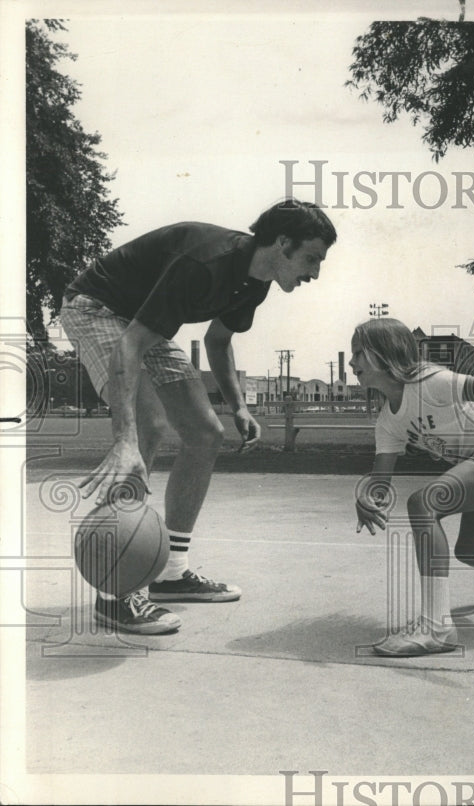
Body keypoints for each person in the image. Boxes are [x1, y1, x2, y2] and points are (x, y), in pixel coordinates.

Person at [60, 199, 337, 634]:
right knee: (147, 427)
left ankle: (171, 572)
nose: (315, 273)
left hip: (139, 323)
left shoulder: (256, 281)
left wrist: (239, 405)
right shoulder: (207, 263)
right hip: (95, 307)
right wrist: (124, 439)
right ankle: (116, 592)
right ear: (282, 242)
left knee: (207, 434)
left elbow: (219, 342)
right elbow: (130, 346)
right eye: (312, 258)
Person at [351, 318, 474, 657]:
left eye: (358, 354)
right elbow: (380, 482)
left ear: (384, 355)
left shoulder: (430, 382)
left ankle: (437, 628)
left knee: (423, 503)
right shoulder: (388, 420)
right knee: (470, 550)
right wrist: (366, 497)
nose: (352, 363)